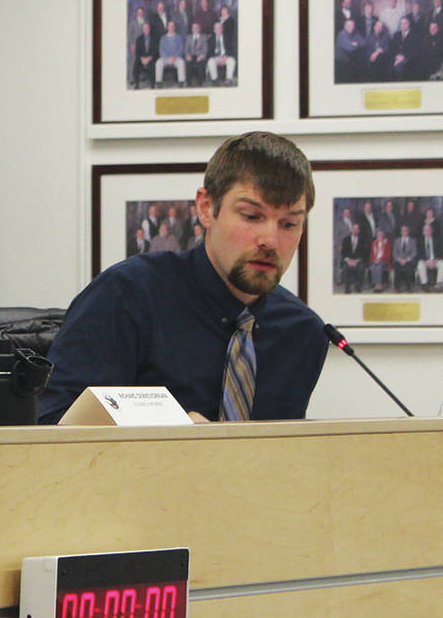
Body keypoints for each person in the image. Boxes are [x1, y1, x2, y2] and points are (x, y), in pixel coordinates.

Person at [37, 132, 325, 423]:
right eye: (251, 216)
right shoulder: (127, 295)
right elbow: (48, 430)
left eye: (289, 224)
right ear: (205, 208)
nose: (270, 241)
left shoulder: (303, 332)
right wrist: (166, 434)